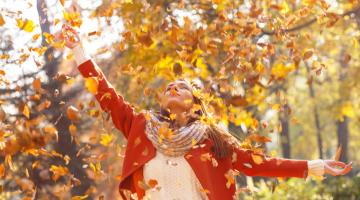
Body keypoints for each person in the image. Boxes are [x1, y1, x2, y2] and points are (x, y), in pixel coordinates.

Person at [58, 24, 352, 200]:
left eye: (181, 87)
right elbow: (107, 95)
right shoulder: (141, 126)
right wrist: (79, 51)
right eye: (168, 87)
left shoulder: (213, 140)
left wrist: (314, 166)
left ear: (195, 104)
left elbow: (260, 163)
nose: (172, 88)